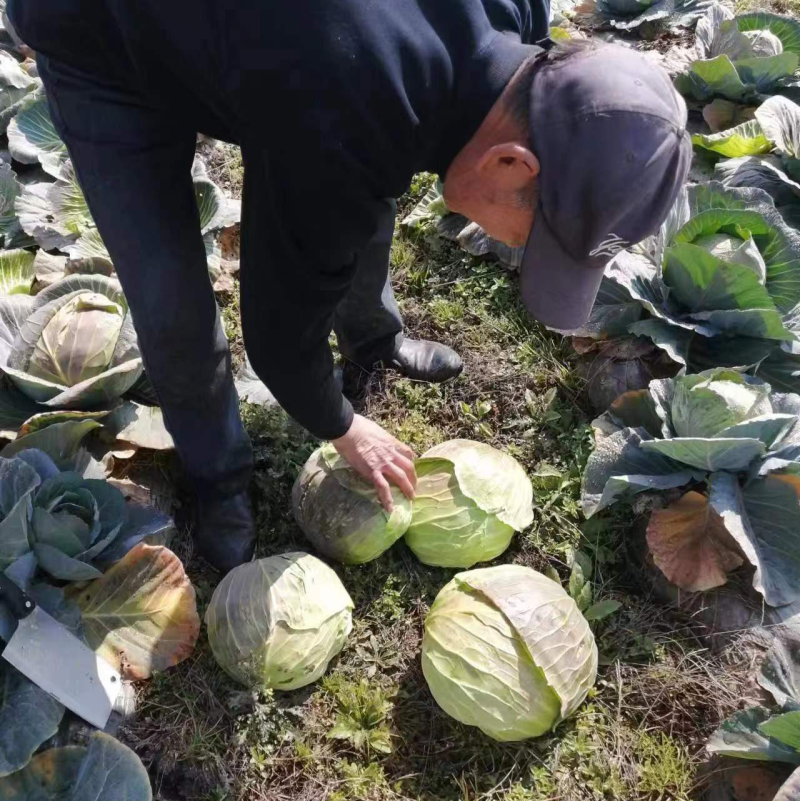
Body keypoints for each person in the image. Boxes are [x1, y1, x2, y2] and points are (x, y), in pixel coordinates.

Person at [9, 0, 691, 574]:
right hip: (103, 34)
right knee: (171, 304)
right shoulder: (343, 107)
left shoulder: (512, 25)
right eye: (529, 236)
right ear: (512, 162)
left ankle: (374, 334)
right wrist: (342, 425)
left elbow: (376, 155)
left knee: (378, 169)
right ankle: (219, 477)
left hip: (253, 34)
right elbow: (279, 333)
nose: (519, 248)